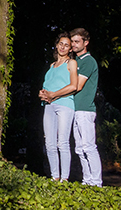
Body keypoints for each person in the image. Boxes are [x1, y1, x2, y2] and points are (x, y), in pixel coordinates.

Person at [40, 27, 102, 186]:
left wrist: (53, 94)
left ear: (86, 43)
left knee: (88, 146)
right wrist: (47, 94)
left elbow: (77, 86)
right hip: (75, 107)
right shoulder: (76, 61)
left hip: (85, 109)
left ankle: (96, 182)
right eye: (71, 42)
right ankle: (87, 181)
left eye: (76, 42)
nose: (73, 45)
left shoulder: (88, 61)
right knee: (79, 149)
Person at [39, 34, 78, 181]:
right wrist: (43, 93)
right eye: (61, 44)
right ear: (56, 45)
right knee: (49, 143)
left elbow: (73, 86)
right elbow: (47, 86)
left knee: (62, 142)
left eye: (66, 45)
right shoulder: (51, 66)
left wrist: (53, 94)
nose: (63, 47)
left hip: (65, 105)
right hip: (49, 105)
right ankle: (55, 177)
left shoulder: (71, 63)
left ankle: (64, 179)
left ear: (70, 49)